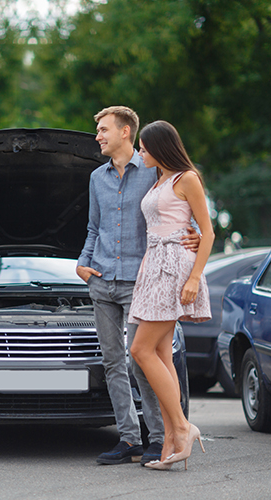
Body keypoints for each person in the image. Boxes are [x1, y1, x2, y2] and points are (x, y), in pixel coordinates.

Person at [77, 106, 200, 466]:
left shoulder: (152, 171)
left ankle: (160, 435)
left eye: (103, 129)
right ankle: (129, 439)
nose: (98, 135)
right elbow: (93, 228)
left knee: (141, 361)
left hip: (142, 281)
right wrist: (83, 264)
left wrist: (190, 236)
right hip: (101, 280)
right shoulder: (96, 177)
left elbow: (178, 210)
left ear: (126, 132)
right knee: (113, 361)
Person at [128, 120, 213, 470]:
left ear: (161, 148)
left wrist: (194, 278)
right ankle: (169, 444)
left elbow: (206, 233)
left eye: (145, 148)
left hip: (174, 268)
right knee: (161, 354)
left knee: (140, 350)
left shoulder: (186, 178)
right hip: (152, 267)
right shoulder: (158, 179)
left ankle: (183, 427)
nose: (141, 153)